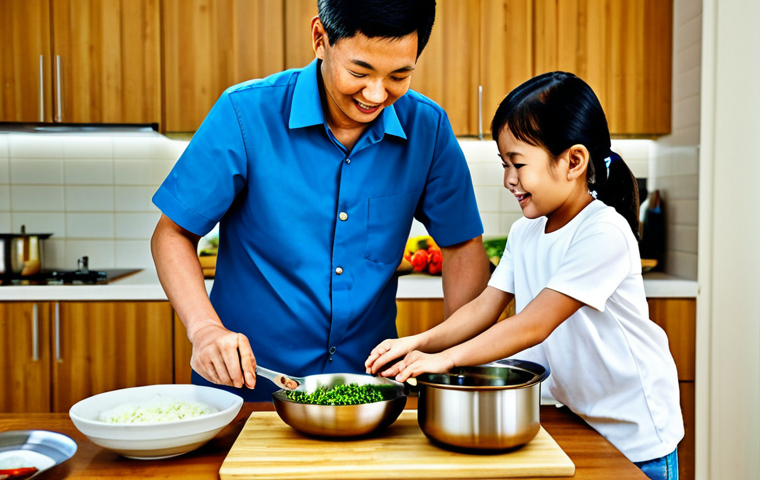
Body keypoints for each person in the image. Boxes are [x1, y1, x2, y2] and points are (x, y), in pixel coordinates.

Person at [150, 0, 491, 402]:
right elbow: (172, 234)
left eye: (400, 75)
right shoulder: (245, 114)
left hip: (370, 394)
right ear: (320, 38)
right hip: (249, 389)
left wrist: (456, 358)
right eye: (359, 71)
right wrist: (205, 329)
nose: (376, 93)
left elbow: (463, 245)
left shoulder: (427, 128)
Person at [365, 72, 684, 480]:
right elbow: (485, 306)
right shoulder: (526, 230)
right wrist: (417, 343)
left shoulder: (603, 231)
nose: (508, 180)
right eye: (504, 164)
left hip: (636, 435)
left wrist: (442, 360)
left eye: (517, 164)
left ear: (573, 161)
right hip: (578, 419)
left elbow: (533, 324)